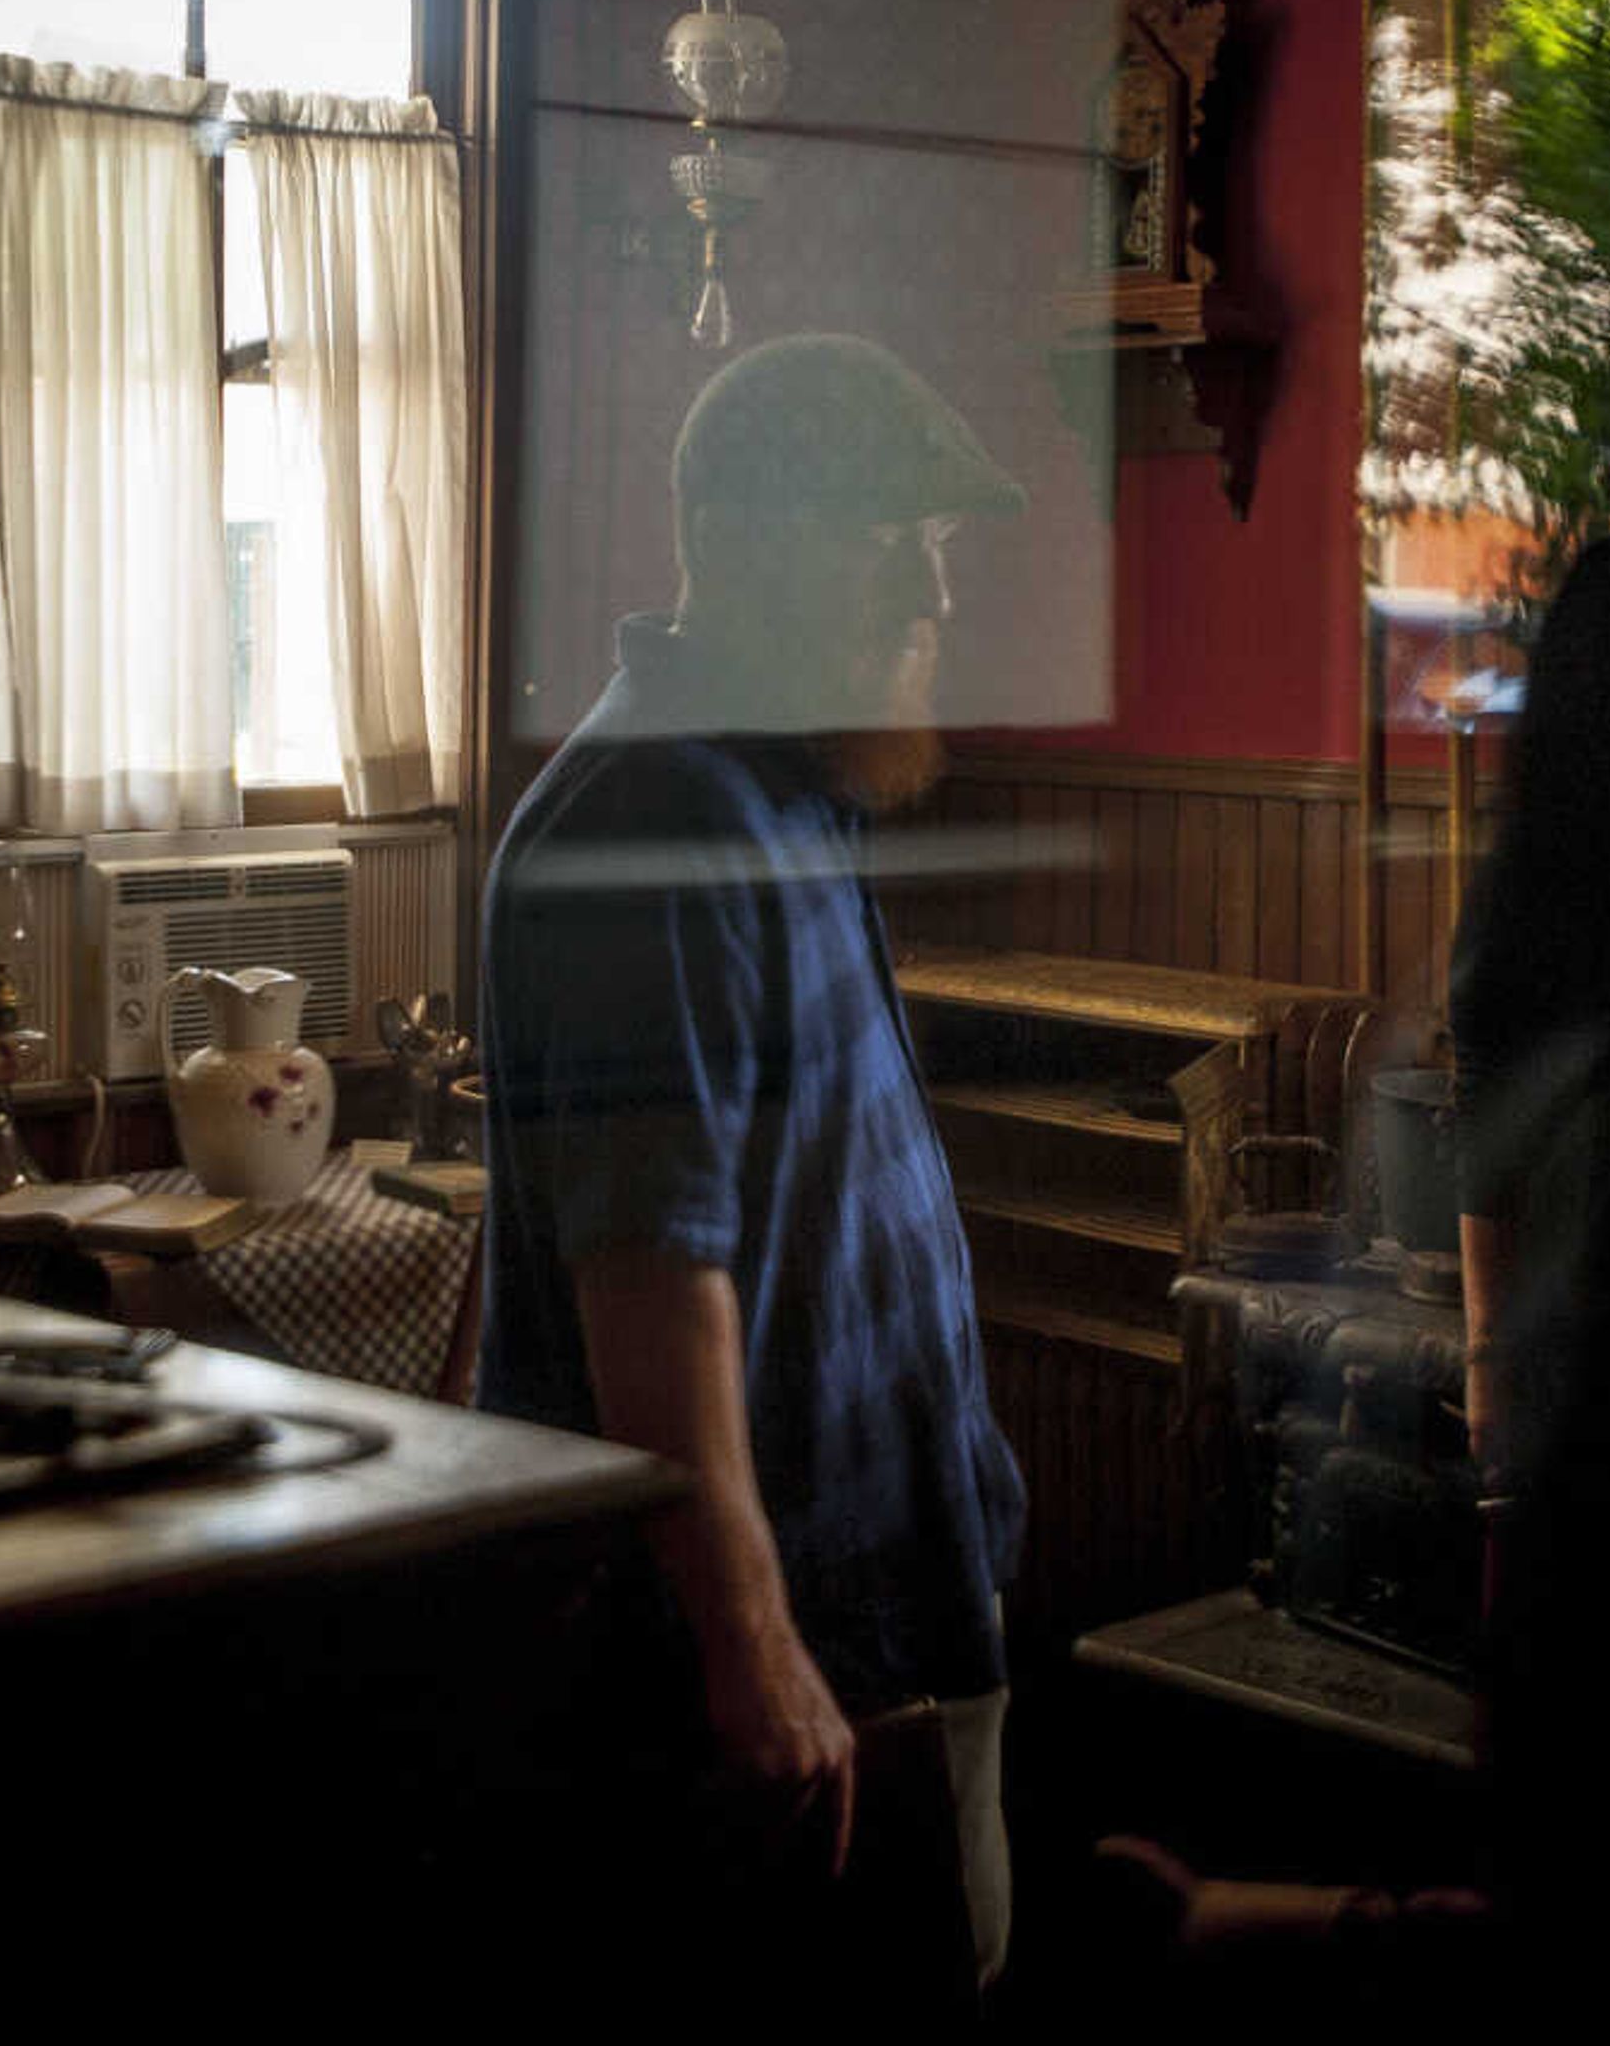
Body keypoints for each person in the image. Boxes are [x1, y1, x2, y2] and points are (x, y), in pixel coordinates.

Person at [475, 332, 1031, 2000]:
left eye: (942, 542)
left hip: (883, 1620)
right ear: (758, 540)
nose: (936, 591)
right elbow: (655, 1284)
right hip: (776, 1680)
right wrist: (753, 1644)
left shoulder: (782, 784)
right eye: (895, 536)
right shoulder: (666, 823)